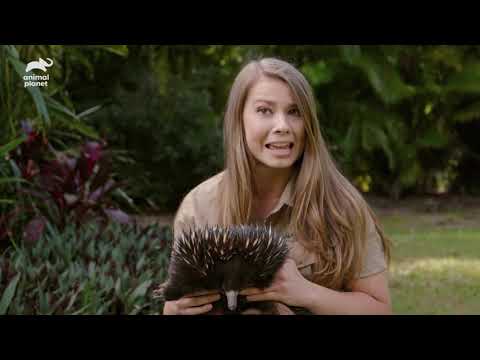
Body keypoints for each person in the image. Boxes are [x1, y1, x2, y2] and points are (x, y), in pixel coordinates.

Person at [162, 57, 392, 315]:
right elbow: (175, 304)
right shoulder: (200, 206)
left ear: (308, 124)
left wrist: (307, 293)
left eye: (294, 112)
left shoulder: (340, 206)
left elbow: (380, 310)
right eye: (264, 110)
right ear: (239, 119)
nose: (282, 126)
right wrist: (174, 310)